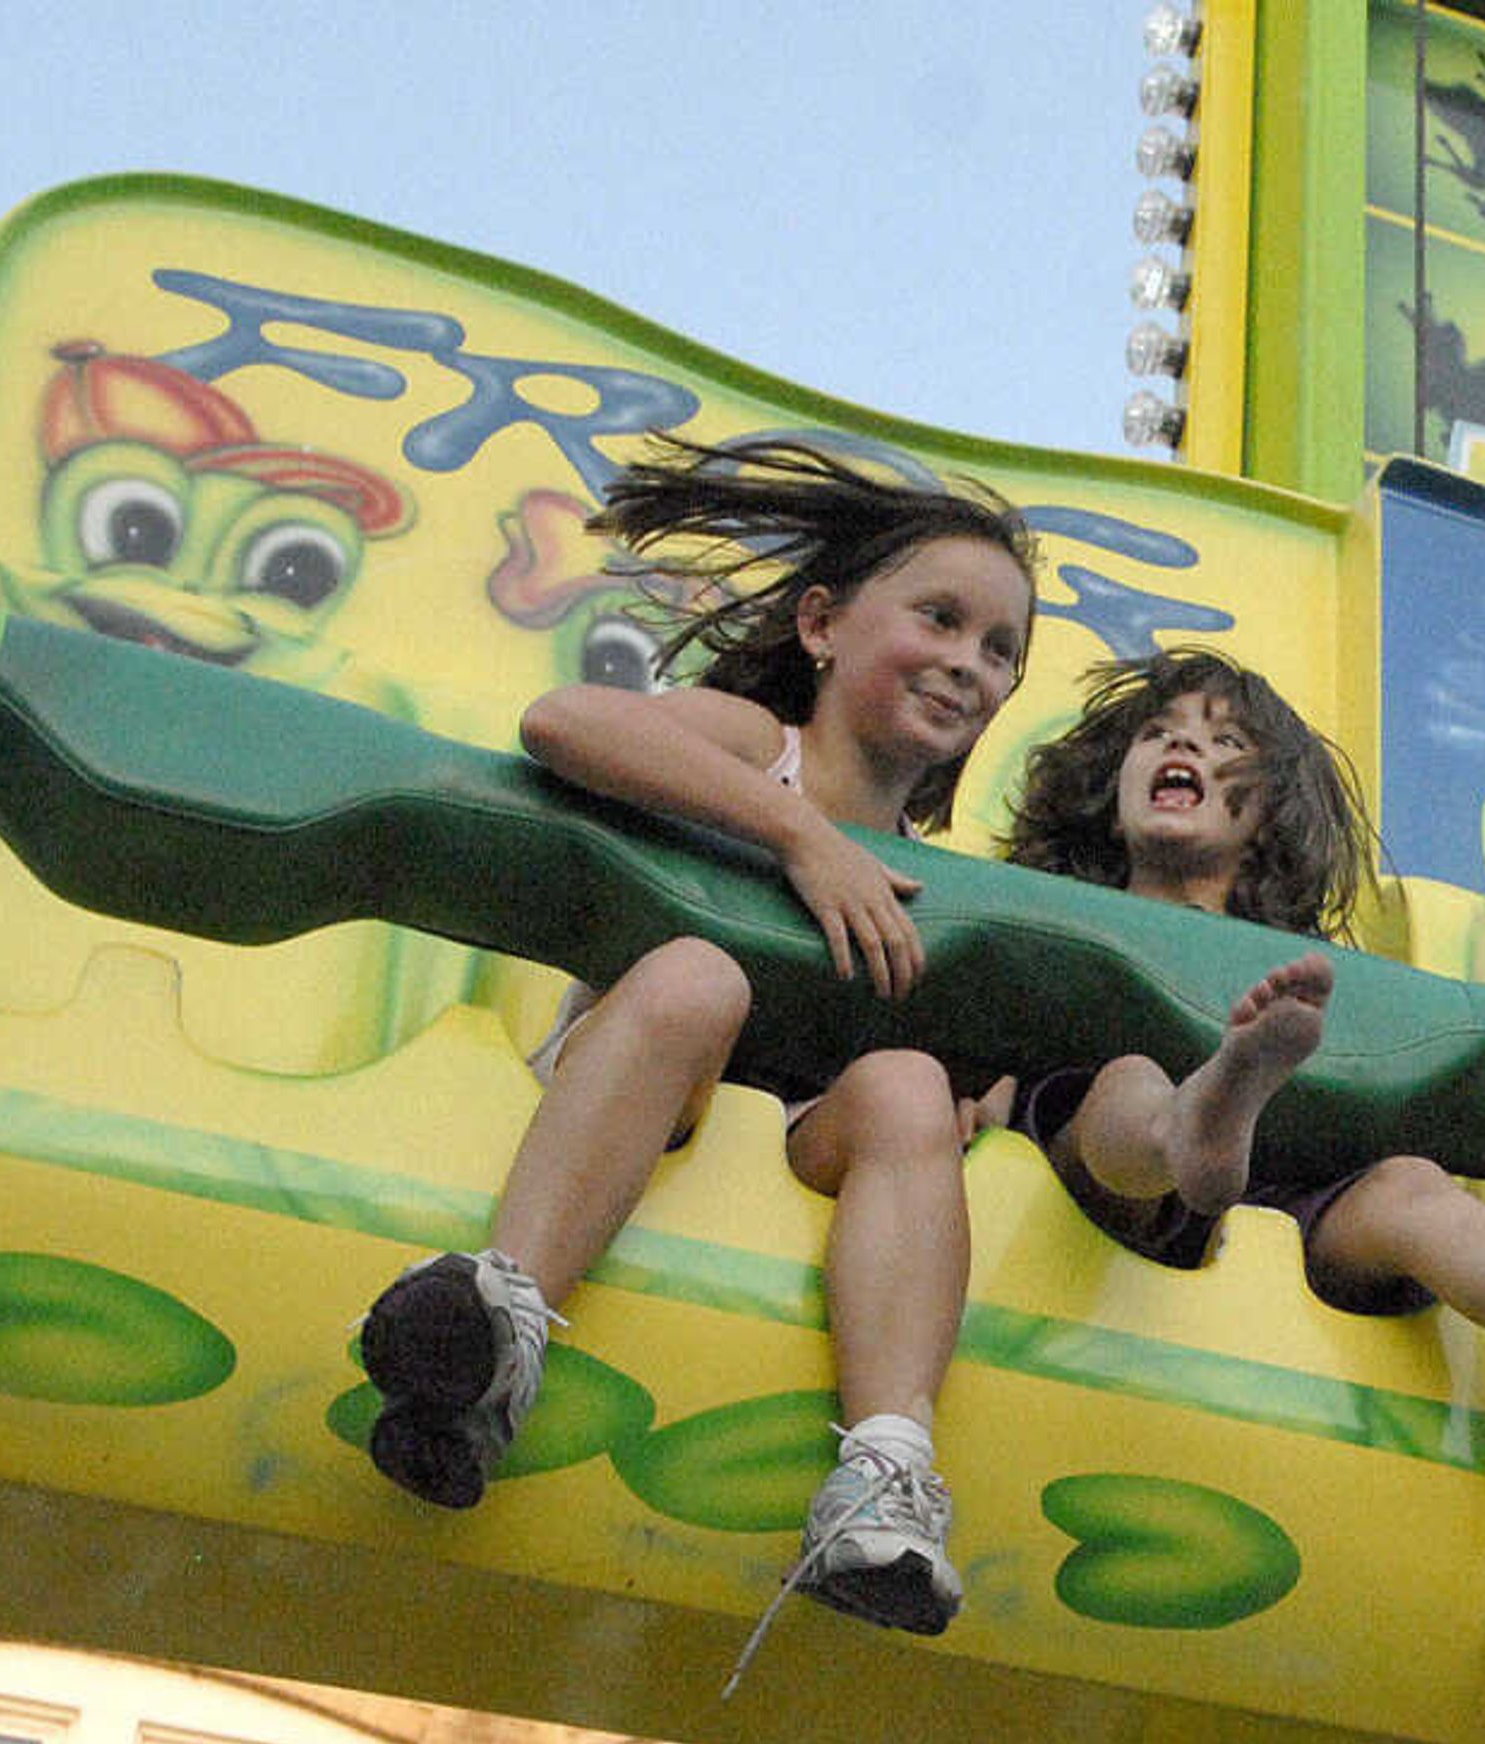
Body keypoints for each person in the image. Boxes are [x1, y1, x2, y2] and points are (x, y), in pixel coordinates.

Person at [355, 437, 1041, 1643]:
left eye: (1000, 653)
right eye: (939, 618)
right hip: (643, 1089)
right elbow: (564, 721)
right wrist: (801, 839)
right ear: (823, 626)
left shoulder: (937, 885)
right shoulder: (753, 744)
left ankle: (886, 1472)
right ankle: (501, 1319)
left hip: (791, 1143)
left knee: (906, 1084)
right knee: (696, 976)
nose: (968, 664)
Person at [995, 653, 1485, 1419]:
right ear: (1110, 789)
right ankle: (1191, 1122)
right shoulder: (1050, 915)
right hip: (1098, 1176)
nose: (1183, 743)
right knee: (1130, 1082)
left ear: (1273, 812)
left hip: (1276, 1198)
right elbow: (980, 1025)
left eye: (1226, 740)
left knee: (1410, 1185)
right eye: (1158, 732)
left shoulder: (1307, 976)